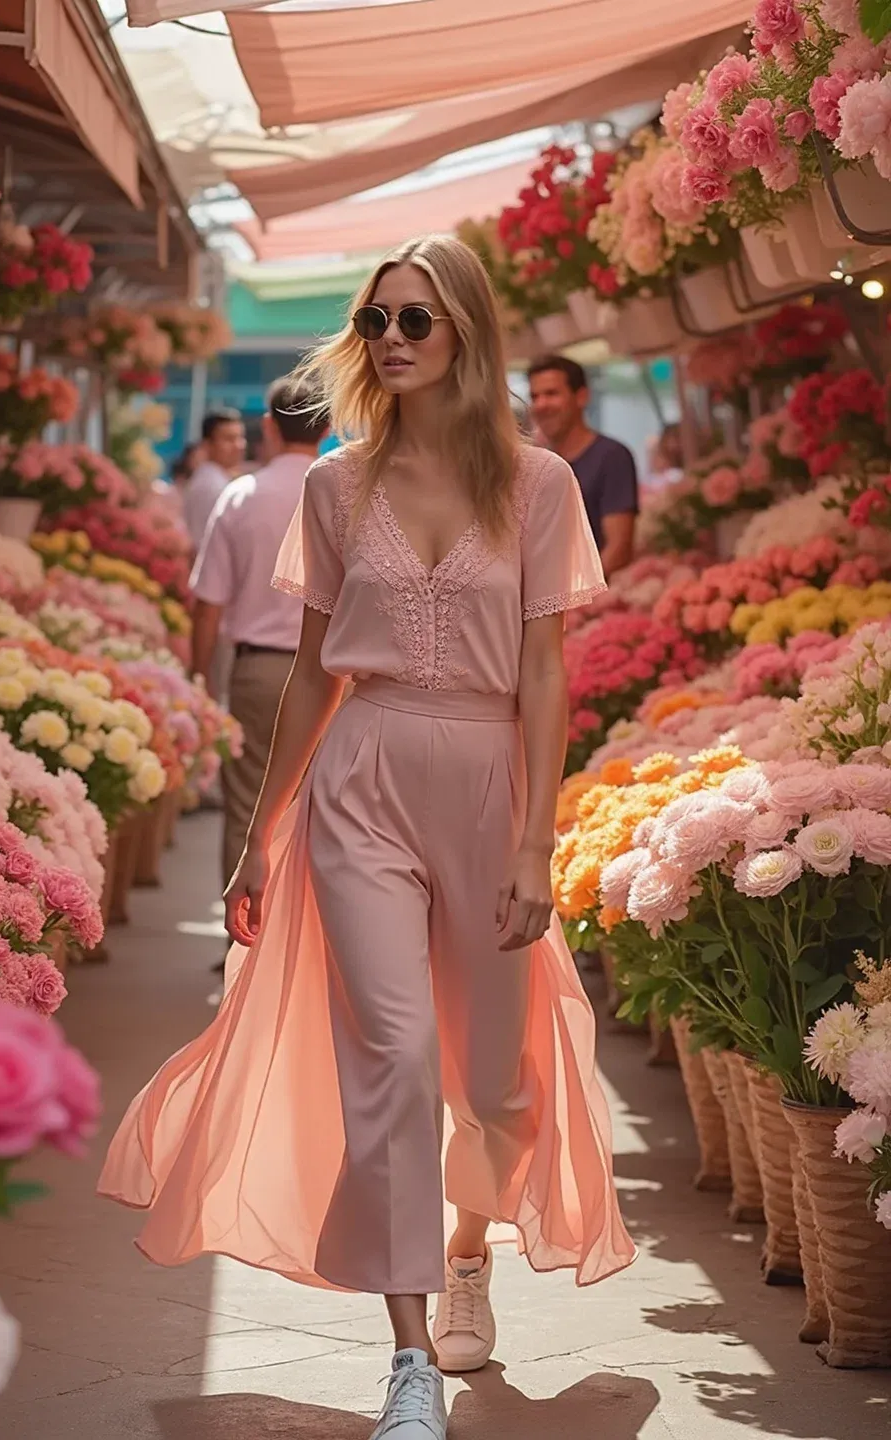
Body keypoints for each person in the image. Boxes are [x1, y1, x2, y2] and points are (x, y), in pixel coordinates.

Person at [99, 235, 635, 1440]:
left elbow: (547, 675)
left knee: (496, 1091)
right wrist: (259, 836)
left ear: (466, 335)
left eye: (416, 322)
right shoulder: (332, 488)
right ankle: (406, 1365)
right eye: (377, 321)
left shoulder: (540, 482)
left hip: (493, 785)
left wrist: (541, 844)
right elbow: (306, 679)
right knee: (389, 1061)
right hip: (362, 784)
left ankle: (465, 1250)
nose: (391, 341)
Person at [190, 376, 329, 898]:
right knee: (327, 808)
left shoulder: (240, 496)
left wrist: (201, 678)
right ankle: (314, 951)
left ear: (269, 425)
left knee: (249, 807)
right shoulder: (349, 490)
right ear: (329, 427)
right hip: (337, 674)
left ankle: (244, 946)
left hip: (257, 672)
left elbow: (208, 602)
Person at [527, 355, 638, 576]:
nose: (541, 405)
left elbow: (618, 549)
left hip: (594, 602)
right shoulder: (538, 464)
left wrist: (573, 602)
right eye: (534, 396)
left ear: (582, 397)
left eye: (551, 394)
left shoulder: (611, 456)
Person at [182, 409, 247, 553]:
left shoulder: (217, 480)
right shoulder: (211, 486)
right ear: (207, 445)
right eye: (229, 439)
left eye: (240, 438)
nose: (238, 446)